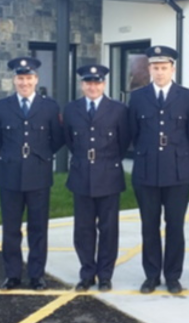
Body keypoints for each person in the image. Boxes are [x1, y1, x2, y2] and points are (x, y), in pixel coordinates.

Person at [0, 57, 64, 291]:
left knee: (38, 228)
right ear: (14, 80)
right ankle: (12, 275)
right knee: (10, 228)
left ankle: (36, 275)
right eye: (20, 78)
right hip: (10, 173)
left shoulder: (49, 106)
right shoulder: (2, 106)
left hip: (38, 173)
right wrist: (13, 155)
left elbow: (57, 138)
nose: (24, 82)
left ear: (36, 79)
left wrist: (40, 155)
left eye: (28, 78)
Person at [128, 45, 189, 294]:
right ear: (148, 69)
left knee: (175, 226)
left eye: (164, 67)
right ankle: (151, 275)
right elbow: (133, 134)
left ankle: (172, 276)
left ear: (173, 69)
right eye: (155, 67)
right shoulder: (137, 97)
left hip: (177, 171)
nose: (159, 72)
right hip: (146, 171)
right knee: (149, 226)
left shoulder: (188, 97)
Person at [63, 64, 130, 292]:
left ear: (104, 84)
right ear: (82, 84)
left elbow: (123, 143)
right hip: (81, 174)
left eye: (97, 82)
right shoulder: (71, 109)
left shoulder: (118, 109)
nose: (93, 86)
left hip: (108, 174)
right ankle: (87, 273)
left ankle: (105, 275)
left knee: (109, 229)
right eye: (88, 82)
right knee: (83, 229)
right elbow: (70, 141)